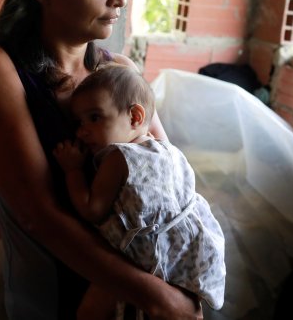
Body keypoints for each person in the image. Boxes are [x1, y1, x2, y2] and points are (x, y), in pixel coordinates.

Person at [0, 0, 203, 320]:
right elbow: (41, 216)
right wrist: (156, 296)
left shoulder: (119, 72)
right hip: (54, 300)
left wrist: (181, 284)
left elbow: (171, 180)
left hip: (140, 293)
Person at [53, 64, 226, 320]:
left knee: (89, 313)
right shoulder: (167, 149)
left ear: (135, 117)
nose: (81, 131)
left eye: (95, 117)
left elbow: (92, 210)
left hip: (139, 258)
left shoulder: (118, 157)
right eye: (79, 122)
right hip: (182, 256)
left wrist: (73, 171)